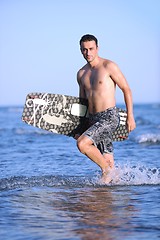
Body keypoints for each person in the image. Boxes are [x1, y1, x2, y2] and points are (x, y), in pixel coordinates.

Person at [76, 34, 136, 182]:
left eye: (91, 49)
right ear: (80, 50)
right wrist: (80, 127)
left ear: (97, 48)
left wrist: (130, 116)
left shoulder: (109, 66)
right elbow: (82, 102)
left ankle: (107, 171)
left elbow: (126, 89)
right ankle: (111, 193)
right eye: (84, 50)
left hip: (109, 117)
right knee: (108, 160)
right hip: (92, 119)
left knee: (82, 144)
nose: (88, 53)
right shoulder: (81, 73)